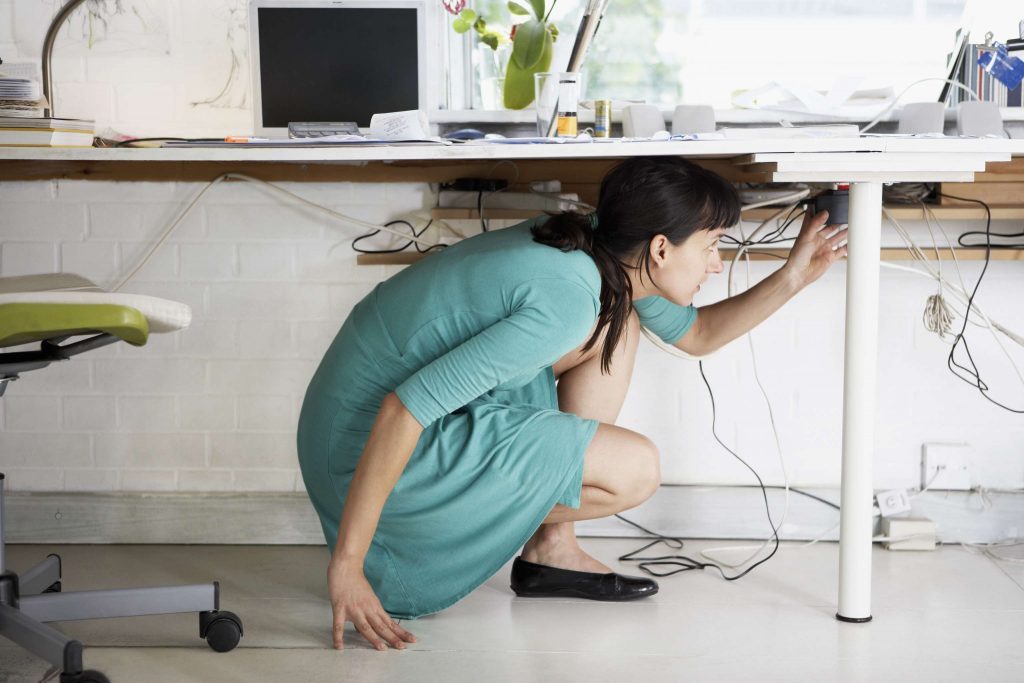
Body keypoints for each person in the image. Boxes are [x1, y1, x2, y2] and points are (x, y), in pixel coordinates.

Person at [296, 156, 847, 651]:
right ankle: (427, 534)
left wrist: (794, 276)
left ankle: (550, 551)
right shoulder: (566, 300)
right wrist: (347, 566)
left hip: (361, 426)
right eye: (711, 246)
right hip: (366, 451)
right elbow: (404, 408)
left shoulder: (593, 250)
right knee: (635, 471)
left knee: (621, 323)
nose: (716, 264)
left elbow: (697, 334)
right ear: (660, 249)